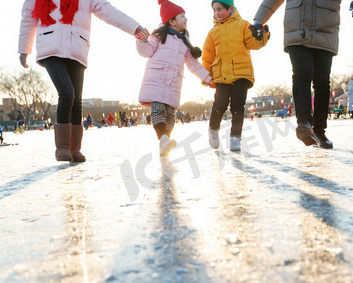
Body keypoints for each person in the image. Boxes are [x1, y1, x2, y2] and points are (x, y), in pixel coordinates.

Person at [18, 0, 147, 162]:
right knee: (66, 93)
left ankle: (75, 148)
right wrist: (24, 50)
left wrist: (134, 28)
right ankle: (63, 147)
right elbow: (28, 19)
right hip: (50, 48)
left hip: (77, 47)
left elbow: (108, 11)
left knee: (77, 99)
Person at [252, 0, 353, 149]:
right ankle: (304, 124)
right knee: (302, 74)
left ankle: (320, 131)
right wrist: (258, 19)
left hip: (325, 31)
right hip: (297, 31)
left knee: (322, 82)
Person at [136, 0, 213, 156]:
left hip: (173, 85)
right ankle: (163, 139)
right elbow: (146, 51)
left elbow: (193, 65)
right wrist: (140, 39)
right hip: (156, 81)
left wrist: (209, 78)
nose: (186, 19)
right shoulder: (158, 35)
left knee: (170, 117)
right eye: (182, 16)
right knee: (158, 111)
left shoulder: (185, 42)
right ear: (171, 21)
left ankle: (164, 144)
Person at [203, 0, 270, 152]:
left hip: (241, 73)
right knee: (220, 104)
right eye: (214, 10)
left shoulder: (243, 25)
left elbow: (254, 44)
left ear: (230, 8)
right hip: (221, 75)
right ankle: (213, 129)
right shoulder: (213, 32)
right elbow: (207, 56)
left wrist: (261, 35)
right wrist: (206, 76)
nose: (216, 13)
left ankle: (235, 138)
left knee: (237, 107)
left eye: (219, 9)